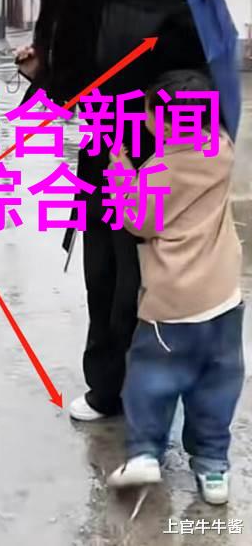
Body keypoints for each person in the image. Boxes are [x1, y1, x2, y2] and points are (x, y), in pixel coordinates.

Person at [16, 0, 147, 421]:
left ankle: (126, 388)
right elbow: (76, 100)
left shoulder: (133, 32)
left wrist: (47, 75)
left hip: (141, 172)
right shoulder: (86, 30)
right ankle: (111, 386)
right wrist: (41, 72)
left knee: (127, 285)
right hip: (104, 170)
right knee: (107, 280)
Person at [107, 71, 243, 505]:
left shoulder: (158, 172)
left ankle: (146, 452)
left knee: (151, 378)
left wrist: (120, 170)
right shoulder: (222, 149)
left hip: (173, 302)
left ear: (165, 123)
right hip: (224, 299)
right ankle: (213, 468)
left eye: (149, 113)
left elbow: (138, 222)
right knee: (216, 384)